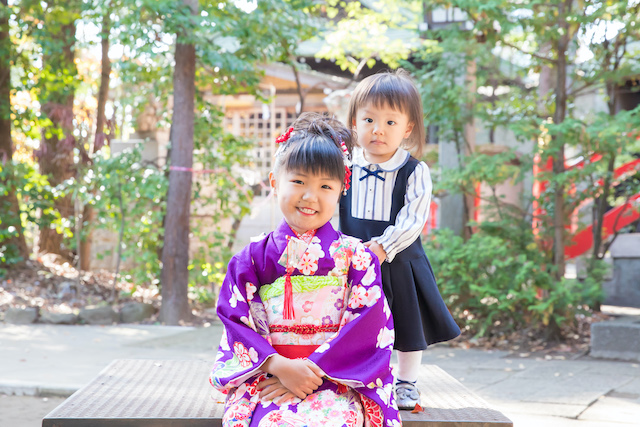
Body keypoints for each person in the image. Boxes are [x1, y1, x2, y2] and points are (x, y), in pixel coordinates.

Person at [210, 112, 401, 427]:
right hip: (269, 377)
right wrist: (280, 367)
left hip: (336, 380)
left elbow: (369, 327)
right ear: (275, 182)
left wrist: (311, 371)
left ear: (341, 191)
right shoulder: (252, 259)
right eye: (298, 181)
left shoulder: (357, 258)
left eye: (326, 185)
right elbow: (235, 322)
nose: (310, 196)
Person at [339, 70, 461, 410]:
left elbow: (413, 218)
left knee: (408, 324)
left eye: (391, 122)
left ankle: (406, 383)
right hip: (353, 259)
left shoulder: (413, 170)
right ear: (354, 122)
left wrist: (382, 247)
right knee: (355, 321)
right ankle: (358, 376)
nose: (378, 129)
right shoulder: (345, 166)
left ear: (407, 128)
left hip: (399, 259)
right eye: (369, 119)